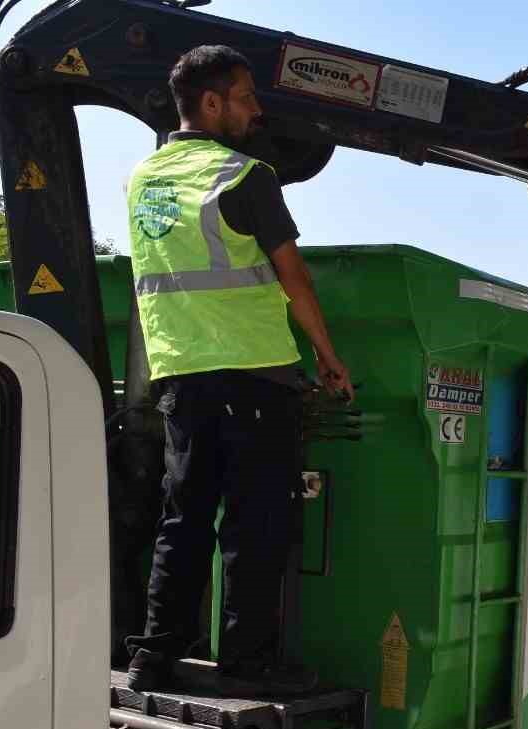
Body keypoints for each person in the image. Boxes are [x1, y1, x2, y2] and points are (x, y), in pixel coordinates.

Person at [123, 45, 354, 694]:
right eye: (248, 97)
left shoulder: (142, 179)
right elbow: (295, 281)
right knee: (253, 527)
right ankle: (246, 667)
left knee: (184, 517)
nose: (257, 109)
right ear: (211, 103)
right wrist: (328, 358)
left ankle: (153, 657)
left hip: (179, 375)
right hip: (252, 373)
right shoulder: (243, 176)